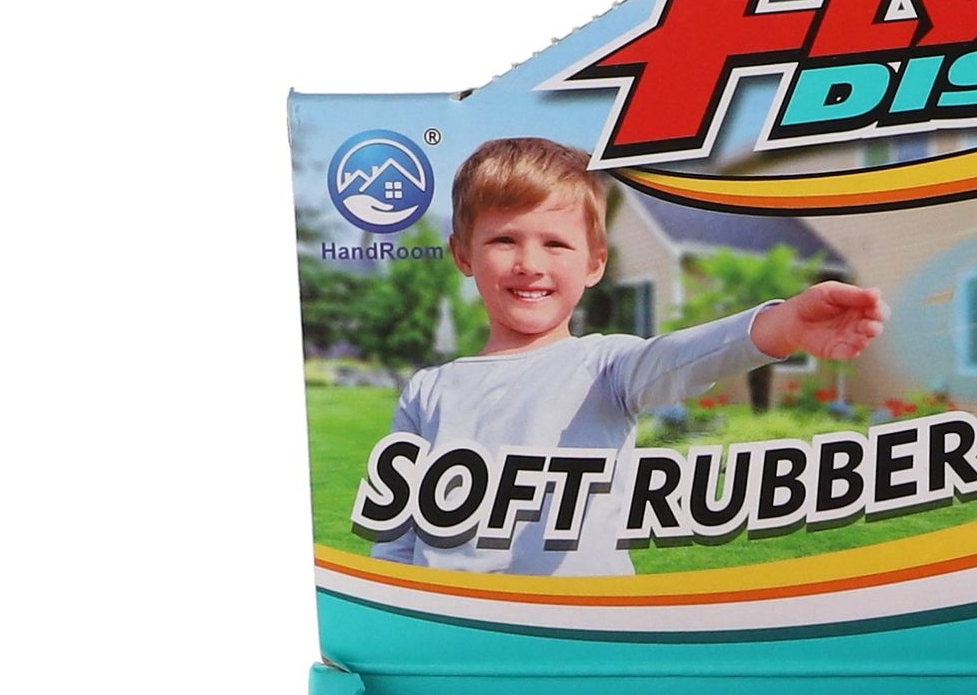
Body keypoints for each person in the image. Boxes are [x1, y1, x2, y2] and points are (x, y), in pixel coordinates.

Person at [363, 136, 886, 573]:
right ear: (462, 253)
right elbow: (395, 537)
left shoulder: (606, 366)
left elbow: (685, 358)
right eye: (504, 240)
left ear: (594, 264)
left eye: (555, 244)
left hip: (586, 634)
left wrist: (783, 325)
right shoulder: (428, 391)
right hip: (457, 633)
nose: (529, 263)